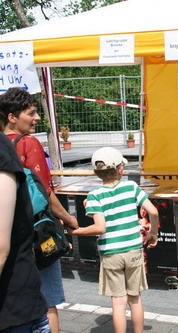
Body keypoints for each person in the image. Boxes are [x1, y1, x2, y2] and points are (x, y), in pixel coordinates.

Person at [0, 86, 79, 333]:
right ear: (12, 117)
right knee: (48, 300)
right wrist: (68, 219)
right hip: (36, 232)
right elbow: (46, 192)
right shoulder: (29, 143)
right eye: (31, 113)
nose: (37, 118)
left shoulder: (4, 144)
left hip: (11, 239)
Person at [71, 147, 159, 333]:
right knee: (135, 298)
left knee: (118, 302)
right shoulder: (131, 187)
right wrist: (153, 234)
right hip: (133, 250)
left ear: (96, 172)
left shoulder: (95, 196)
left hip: (111, 253)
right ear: (120, 169)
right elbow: (153, 211)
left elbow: (100, 227)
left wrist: (77, 231)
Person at [0, 130, 50, 332]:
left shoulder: (10, 149)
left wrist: (67, 219)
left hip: (15, 309)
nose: (37, 118)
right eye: (31, 112)